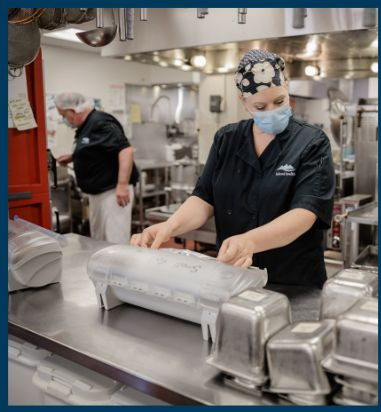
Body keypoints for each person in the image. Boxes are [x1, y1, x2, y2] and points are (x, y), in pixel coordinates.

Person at [132, 49, 335, 287]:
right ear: (243, 101)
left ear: (287, 87)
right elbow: (204, 198)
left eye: (279, 101)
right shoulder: (227, 139)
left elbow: (305, 214)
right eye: (260, 106)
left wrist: (250, 241)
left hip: (293, 281)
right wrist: (170, 226)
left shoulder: (312, 142)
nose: (272, 110)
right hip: (232, 277)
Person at [53, 92, 138, 243]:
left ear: (72, 111)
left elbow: (125, 150)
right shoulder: (86, 126)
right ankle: (104, 267)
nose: (63, 120)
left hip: (113, 193)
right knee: (99, 240)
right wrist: (74, 156)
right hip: (98, 193)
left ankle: (118, 267)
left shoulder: (100, 122)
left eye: (63, 115)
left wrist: (122, 185)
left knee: (115, 240)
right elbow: (97, 149)